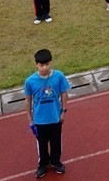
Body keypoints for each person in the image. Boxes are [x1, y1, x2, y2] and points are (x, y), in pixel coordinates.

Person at [24, 48, 70, 178]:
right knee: (42, 146)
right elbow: (28, 100)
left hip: (55, 118)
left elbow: (64, 93)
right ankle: (43, 164)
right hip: (40, 121)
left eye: (47, 64)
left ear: (51, 63)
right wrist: (30, 119)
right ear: (36, 64)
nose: (44, 67)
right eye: (41, 65)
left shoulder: (59, 76)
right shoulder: (30, 81)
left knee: (56, 143)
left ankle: (55, 162)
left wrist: (63, 111)